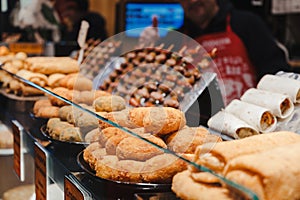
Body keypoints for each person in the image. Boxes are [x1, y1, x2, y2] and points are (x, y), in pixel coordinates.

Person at [140, 0, 291, 105]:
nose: (192, 1)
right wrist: (150, 52)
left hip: (250, 120)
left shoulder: (247, 24)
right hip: (199, 129)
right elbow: (159, 88)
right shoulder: (176, 40)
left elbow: (277, 75)